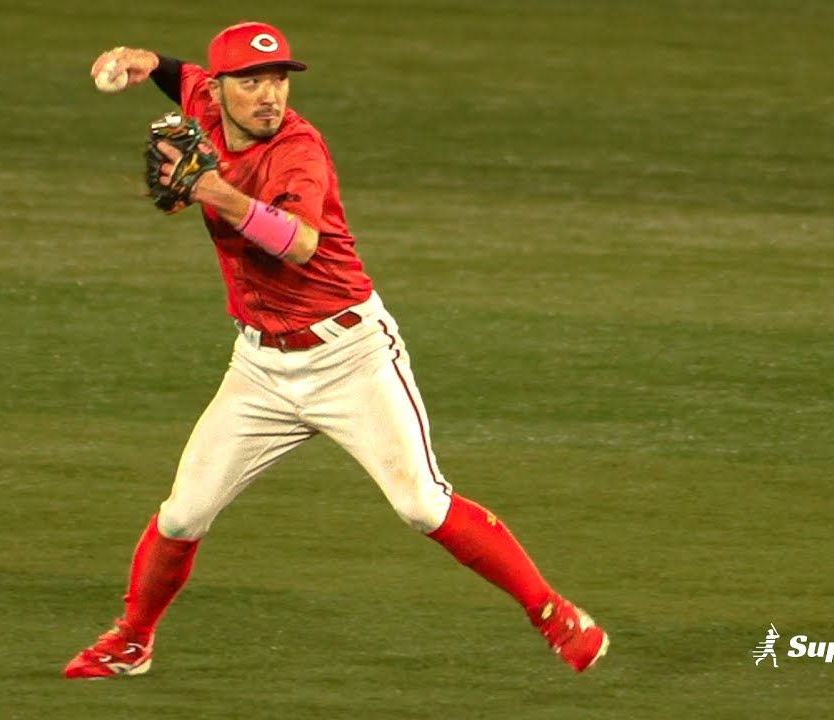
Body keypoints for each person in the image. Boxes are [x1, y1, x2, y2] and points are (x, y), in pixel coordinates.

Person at [65, 21, 608, 679]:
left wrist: (209, 189)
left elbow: (298, 243)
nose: (269, 95)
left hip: (350, 357)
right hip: (260, 369)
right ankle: (132, 641)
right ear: (221, 88)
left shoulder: (299, 150)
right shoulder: (204, 100)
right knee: (182, 515)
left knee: (422, 503)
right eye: (252, 82)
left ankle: (554, 614)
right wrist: (142, 59)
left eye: (278, 80)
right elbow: (181, 75)